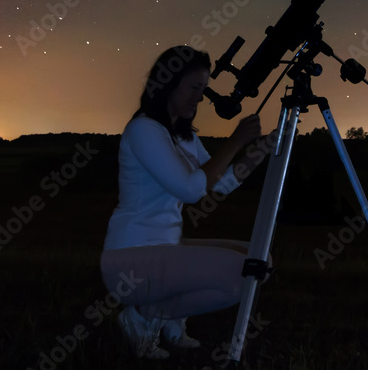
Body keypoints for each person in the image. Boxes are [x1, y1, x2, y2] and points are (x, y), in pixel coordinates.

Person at [100, 45, 276, 360]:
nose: (200, 97)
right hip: (130, 260)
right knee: (242, 274)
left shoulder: (183, 136)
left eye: (203, 89)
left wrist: (263, 147)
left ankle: (166, 318)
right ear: (168, 85)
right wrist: (235, 140)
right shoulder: (143, 130)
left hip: (166, 248)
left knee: (261, 260)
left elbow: (221, 184)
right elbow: (191, 190)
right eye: (195, 88)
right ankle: (143, 316)